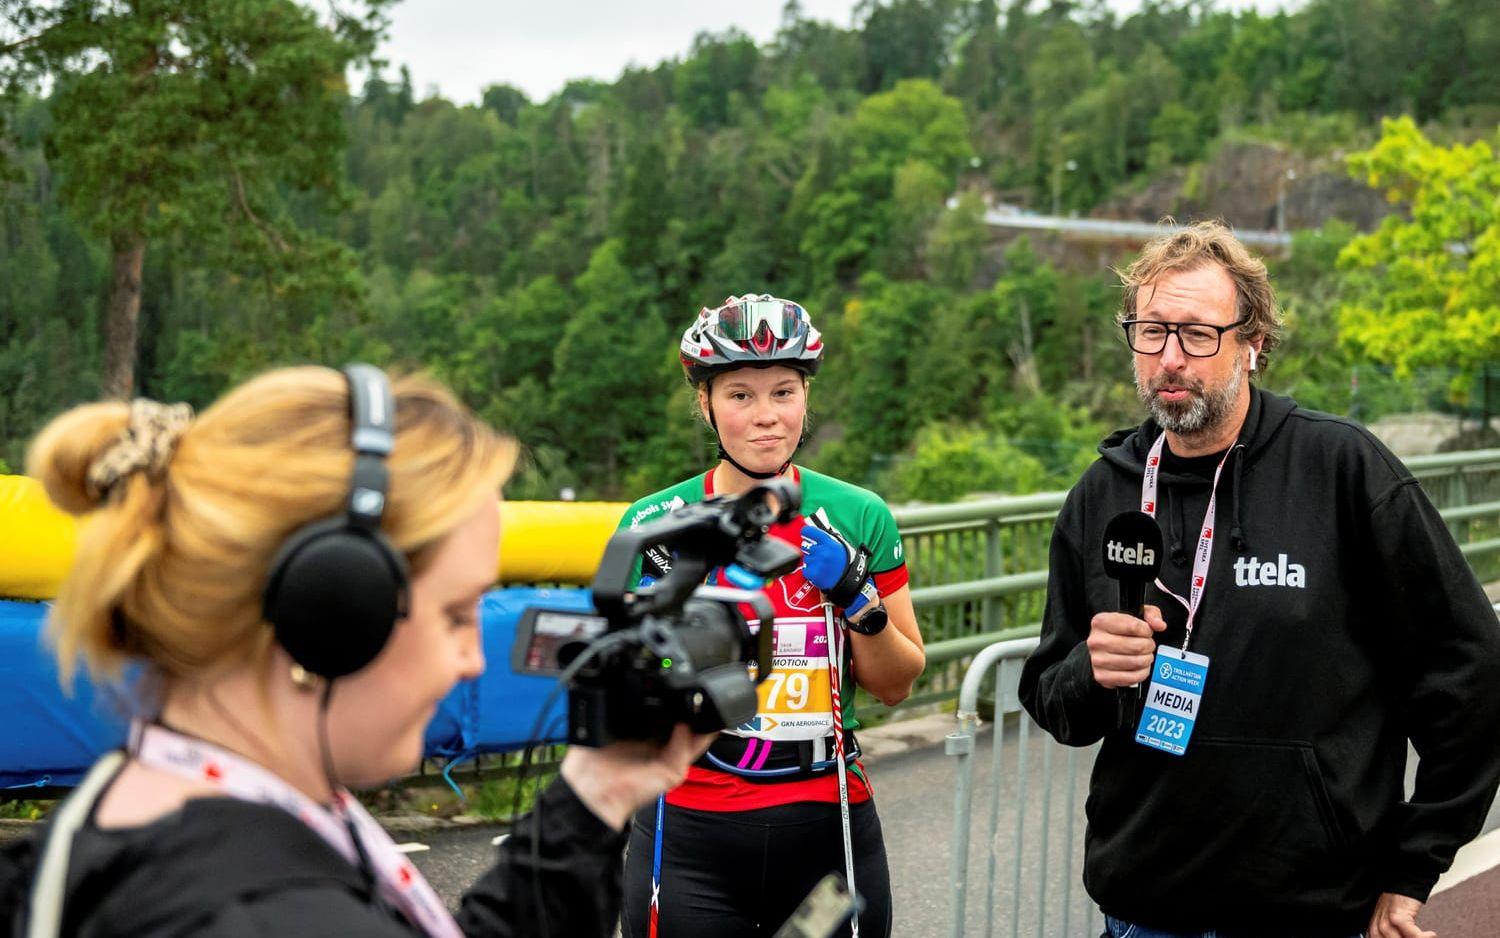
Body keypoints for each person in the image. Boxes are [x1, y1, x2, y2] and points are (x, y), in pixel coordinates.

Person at [0, 365, 707, 937]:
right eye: (458, 615)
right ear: (329, 612)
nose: (472, 659)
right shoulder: (262, 916)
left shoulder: (154, 820)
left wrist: (595, 794)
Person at [1018, 221, 1500, 938]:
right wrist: (1091, 672)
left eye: (1197, 335)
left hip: (1311, 911)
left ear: (1254, 344)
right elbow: (1052, 696)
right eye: (1150, 333)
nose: (1170, 359)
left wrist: (1413, 865)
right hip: (1146, 911)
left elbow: (1470, 671)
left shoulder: (1342, 471)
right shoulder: (1104, 493)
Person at [616, 295, 926, 937]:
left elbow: (897, 684)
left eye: (783, 392)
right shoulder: (654, 526)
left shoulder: (857, 515)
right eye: (740, 396)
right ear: (705, 403)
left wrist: (857, 600)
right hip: (691, 836)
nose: (766, 418)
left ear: (806, 397)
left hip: (827, 835)